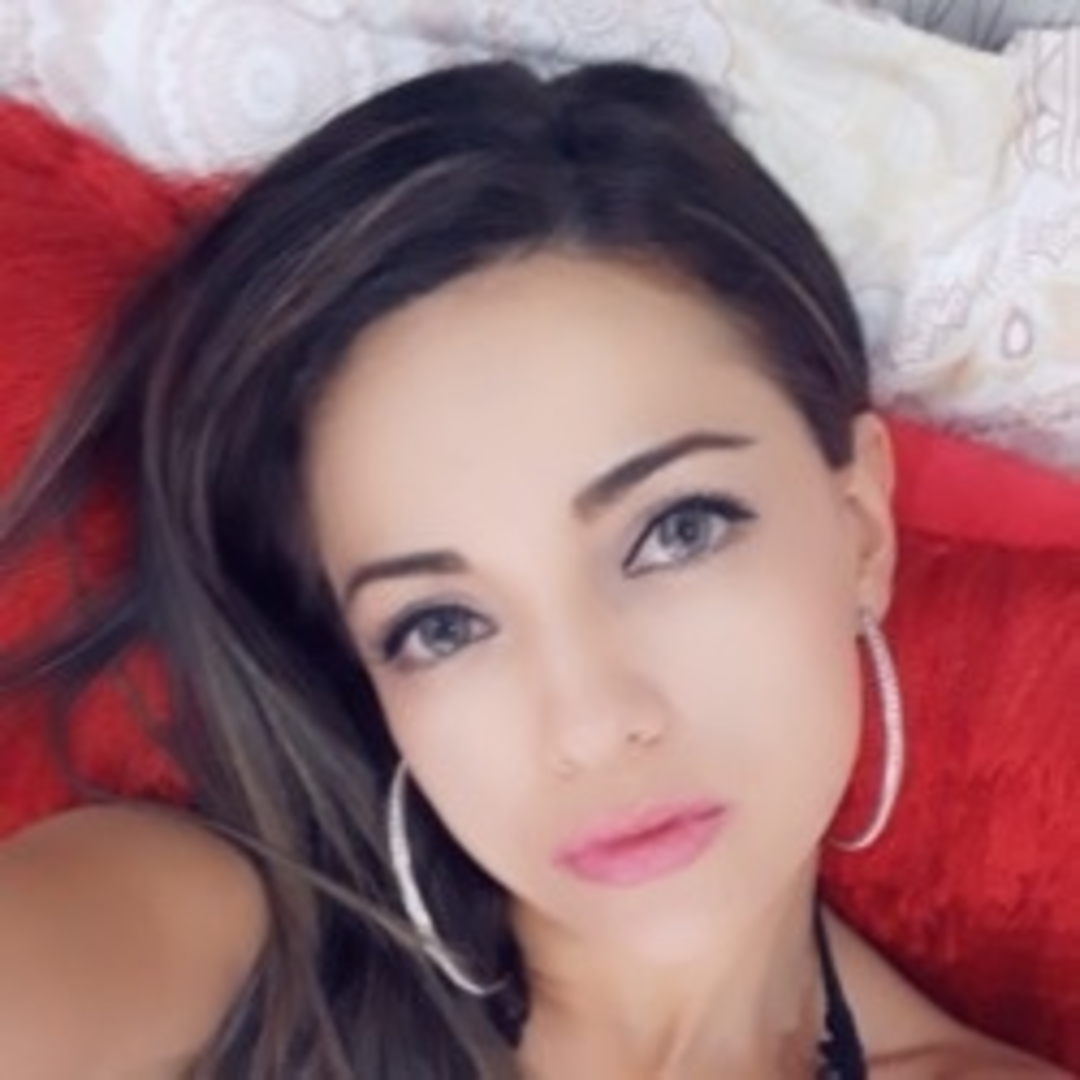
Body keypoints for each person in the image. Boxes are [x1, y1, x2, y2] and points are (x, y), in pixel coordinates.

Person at [0, 60, 1066, 1079]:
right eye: (442, 624)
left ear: (860, 527)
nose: (593, 726)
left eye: (677, 531)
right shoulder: (215, 964)